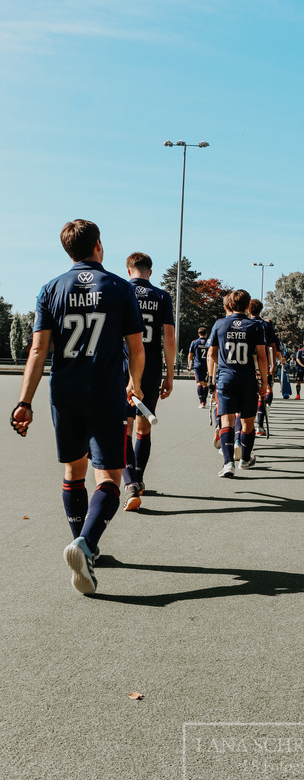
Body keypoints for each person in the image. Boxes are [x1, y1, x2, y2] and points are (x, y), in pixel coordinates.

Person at [10, 219, 145, 595]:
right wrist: (134, 383)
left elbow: (38, 350)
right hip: (105, 393)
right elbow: (136, 349)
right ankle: (85, 543)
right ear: (98, 246)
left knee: (74, 471)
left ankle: (86, 547)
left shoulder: (50, 288)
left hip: (64, 394)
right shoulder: (119, 286)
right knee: (109, 478)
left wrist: (24, 401)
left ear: (68, 251)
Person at [122, 252, 176, 510]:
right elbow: (169, 337)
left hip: (123, 367)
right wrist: (170, 373)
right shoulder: (162, 296)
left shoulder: (119, 289)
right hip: (152, 368)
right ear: (150, 272)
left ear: (128, 269)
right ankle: (138, 478)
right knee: (144, 428)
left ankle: (130, 481)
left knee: (125, 427)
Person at [207, 289, 268, 476]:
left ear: (230, 305)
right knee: (247, 422)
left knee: (227, 420)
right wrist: (264, 382)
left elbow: (211, 353)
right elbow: (262, 356)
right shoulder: (255, 326)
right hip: (247, 378)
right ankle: (245, 459)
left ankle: (227, 464)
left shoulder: (220, 324)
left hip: (226, 378)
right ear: (248, 306)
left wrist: (220, 369)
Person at [248, 298, 283, 435]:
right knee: (265, 391)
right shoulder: (266, 325)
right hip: (265, 363)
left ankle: (248, 426)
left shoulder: (247, 324)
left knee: (251, 394)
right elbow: (273, 346)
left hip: (249, 364)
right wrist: (273, 364)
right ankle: (260, 425)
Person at [188, 327, 210, 408]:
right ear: (206, 333)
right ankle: (205, 401)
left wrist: (189, 365)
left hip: (198, 365)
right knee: (206, 384)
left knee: (199, 384)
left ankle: (202, 402)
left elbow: (190, 355)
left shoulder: (194, 342)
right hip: (207, 365)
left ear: (198, 334)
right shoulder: (209, 342)